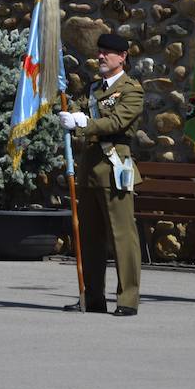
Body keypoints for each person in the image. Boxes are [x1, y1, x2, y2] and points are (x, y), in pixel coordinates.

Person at [59, 32, 143, 317]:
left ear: (123, 57)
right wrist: (69, 114)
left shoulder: (132, 89)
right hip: (89, 170)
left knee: (122, 237)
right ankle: (93, 297)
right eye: (100, 52)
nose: (102, 56)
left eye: (108, 52)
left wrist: (84, 123)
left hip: (114, 167)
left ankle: (127, 299)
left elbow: (118, 121)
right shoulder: (92, 88)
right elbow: (77, 109)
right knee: (90, 238)